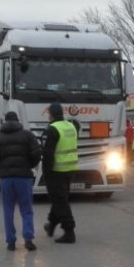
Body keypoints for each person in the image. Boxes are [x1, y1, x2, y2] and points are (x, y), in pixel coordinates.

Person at [0, 111, 42, 251]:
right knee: (26, 209)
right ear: (18, 121)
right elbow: (37, 153)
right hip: (24, 177)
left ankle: (11, 242)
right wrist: (29, 165)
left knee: (8, 209)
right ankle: (28, 239)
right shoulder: (27, 135)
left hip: (6, 178)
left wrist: (2, 165)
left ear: (4, 122)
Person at [42, 102, 78, 244]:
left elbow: (48, 155)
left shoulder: (52, 129)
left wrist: (46, 174)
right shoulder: (71, 126)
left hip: (57, 171)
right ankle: (51, 225)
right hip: (70, 169)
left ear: (50, 114)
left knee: (60, 201)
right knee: (60, 199)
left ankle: (69, 232)